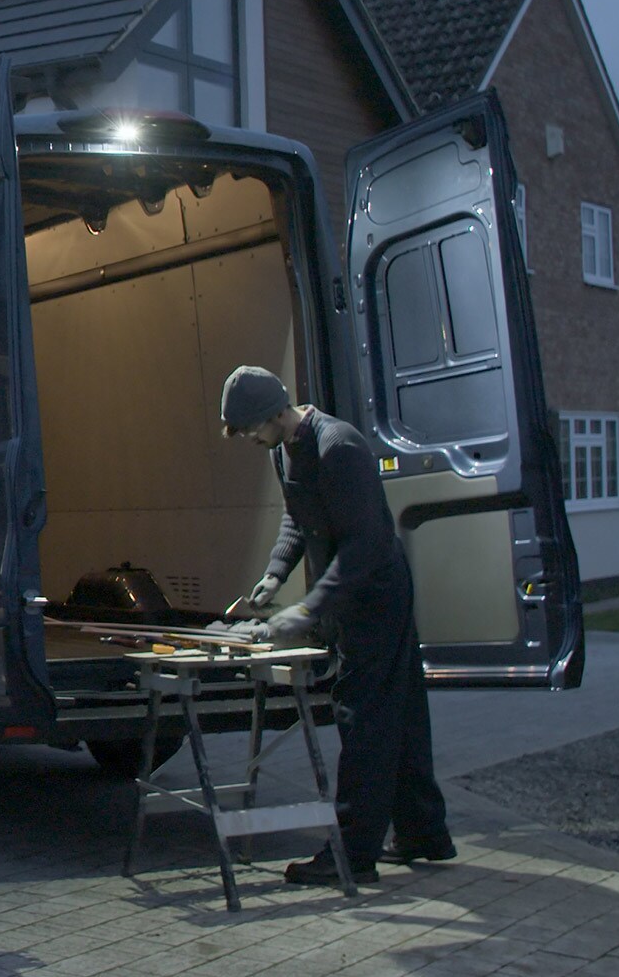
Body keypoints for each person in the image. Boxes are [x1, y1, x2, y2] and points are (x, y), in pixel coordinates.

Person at [218, 365, 454, 886]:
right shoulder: (286, 449)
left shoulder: (339, 447)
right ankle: (424, 832)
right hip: (351, 596)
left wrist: (306, 611)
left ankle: (352, 854)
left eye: (252, 429)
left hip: (377, 595)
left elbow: (365, 545)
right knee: (403, 711)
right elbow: (298, 517)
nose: (252, 440)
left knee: (363, 718)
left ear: (276, 412)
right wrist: (275, 576)